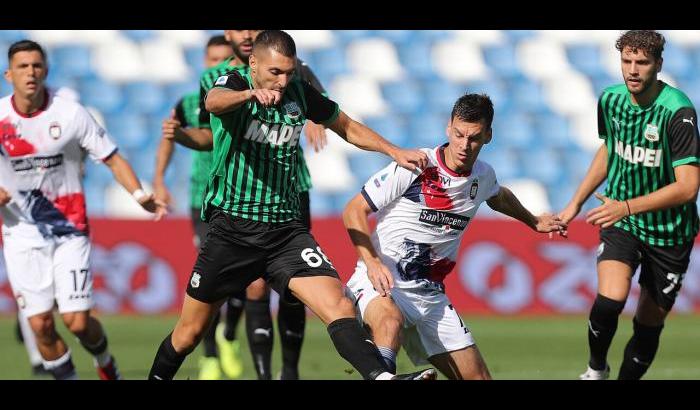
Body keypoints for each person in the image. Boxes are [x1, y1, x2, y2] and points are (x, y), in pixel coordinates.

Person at [148, 30, 435, 381]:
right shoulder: (234, 81)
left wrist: (393, 151)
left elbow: (345, 125)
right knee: (189, 333)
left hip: (286, 233)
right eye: (274, 73)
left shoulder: (298, 89)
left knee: (340, 304)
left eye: (288, 71)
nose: (283, 81)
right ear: (254, 63)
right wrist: (251, 93)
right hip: (233, 230)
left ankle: (381, 378)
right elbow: (214, 103)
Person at [343, 93, 566, 379]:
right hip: (383, 282)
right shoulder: (416, 166)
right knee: (389, 322)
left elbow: (499, 197)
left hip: (429, 294)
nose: (464, 144)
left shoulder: (482, 176)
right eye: (459, 134)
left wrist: (533, 220)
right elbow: (353, 211)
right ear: (448, 127)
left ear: (488, 136)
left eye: (473, 137)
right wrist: (372, 263)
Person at [164, 29, 330, 380]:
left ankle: (288, 370)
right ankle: (219, 350)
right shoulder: (215, 80)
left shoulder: (291, 70)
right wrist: (173, 149)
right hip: (231, 196)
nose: (246, 33)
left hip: (291, 189)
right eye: (239, 29)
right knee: (242, 284)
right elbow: (207, 129)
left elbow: (320, 101)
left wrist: (318, 116)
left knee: (293, 288)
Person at [0, 40, 166, 380]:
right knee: (41, 326)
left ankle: (105, 362)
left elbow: (112, 157)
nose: (30, 72)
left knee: (76, 322)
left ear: (45, 70)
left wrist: (138, 193)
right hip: (20, 234)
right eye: (22, 66)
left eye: (36, 65)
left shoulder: (70, 114)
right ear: (8, 74)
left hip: (69, 230)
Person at [557, 30, 700, 380]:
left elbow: (688, 187)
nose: (633, 69)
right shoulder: (610, 100)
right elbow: (609, 150)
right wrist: (575, 202)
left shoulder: (677, 112)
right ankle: (596, 369)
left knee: (648, 323)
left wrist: (628, 206)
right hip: (624, 222)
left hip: (670, 232)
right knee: (610, 299)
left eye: (642, 62)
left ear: (658, 65)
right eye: (627, 61)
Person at [153, 34, 244, 381]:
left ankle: (229, 334)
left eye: (224, 58)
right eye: (212, 60)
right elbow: (169, 135)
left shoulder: (240, 95)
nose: (218, 65)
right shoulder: (190, 102)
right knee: (210, 281)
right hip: (202, 199)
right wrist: (159, 180)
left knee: (243, 280)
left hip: (239, 197)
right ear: (205, 63)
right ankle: (207, 356)